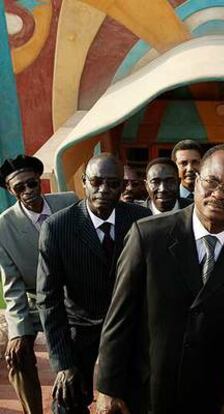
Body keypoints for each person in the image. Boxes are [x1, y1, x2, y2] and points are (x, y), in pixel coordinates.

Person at [95, 144, 224, 414]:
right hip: (144, 392)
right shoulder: (148, 236)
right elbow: (119, 317)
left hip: (205, 395)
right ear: (196, 181)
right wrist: (107, 388)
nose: (218, 194)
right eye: (211, 181)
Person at [36, 153, 151, 413]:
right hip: (80, 339)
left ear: (122, 187)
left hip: (129, 336)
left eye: (113, 184)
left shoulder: (141, 220)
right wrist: (63, 363)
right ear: (84, 182)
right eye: (97, 182)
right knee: (65, 404)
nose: (104, 190)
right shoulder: (57, 227)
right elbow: (48, 299)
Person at [0, 155, 77, 414]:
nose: (28, 191)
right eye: (19, 187)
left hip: (75, 297)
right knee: (16, 356)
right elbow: (12, 284)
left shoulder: (69, 203)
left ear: (40, 182)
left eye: (32, 184)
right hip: (36, 302)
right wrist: (18, 332)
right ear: (11, 191)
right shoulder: (4, 227)